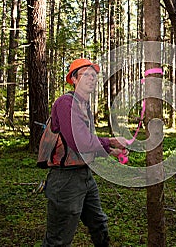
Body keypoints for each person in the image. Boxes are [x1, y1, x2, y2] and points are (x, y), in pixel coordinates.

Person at [43, 58, 128, 247]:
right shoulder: (66, 103)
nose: (91, 78)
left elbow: (86, 144)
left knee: (98, 223)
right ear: (73, 79)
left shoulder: (85, 106)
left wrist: (110, 150)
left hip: (84, 175)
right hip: (65, 180)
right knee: (58, 239)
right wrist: (111, 141)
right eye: (85, 75)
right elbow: (79, 141)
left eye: (93, 75)